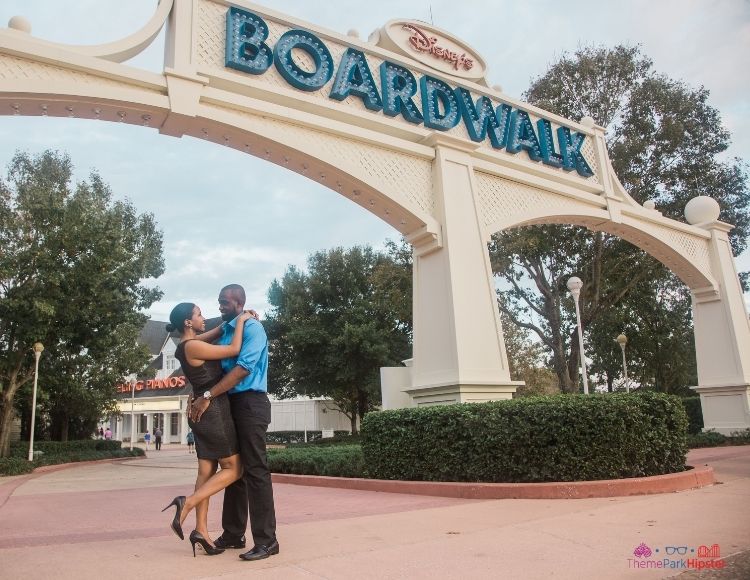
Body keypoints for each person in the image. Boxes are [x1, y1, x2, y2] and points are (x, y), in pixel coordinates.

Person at [190, 284, 278, 562]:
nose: (220, 306)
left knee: (255, 469)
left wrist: (207, 396)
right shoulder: (227, 329)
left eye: (224, 302)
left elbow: (243, 369)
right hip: (228, 404)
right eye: (218, 301)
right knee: (234, 469)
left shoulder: (253, 329)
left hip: (251, 403)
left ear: (239, 302)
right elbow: (197, 350)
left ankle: (267, 541)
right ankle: (233, 534)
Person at [162, 302, 252, 557]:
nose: (204, 318)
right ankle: (186, 503)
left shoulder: (185, 346)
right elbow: (234, 348)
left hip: (200, 410)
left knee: (206, 471)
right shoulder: (194, 346)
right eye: (199, 314)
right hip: (213, 411)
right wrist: (243, 321)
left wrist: (234, 319)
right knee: (235, 468)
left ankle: (201, 529)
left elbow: (217, 331)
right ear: (188, 323)